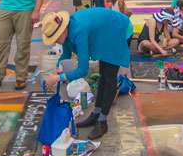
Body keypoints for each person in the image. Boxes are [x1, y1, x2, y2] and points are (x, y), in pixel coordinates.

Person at [41, 8, 132, 140]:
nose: (55, 42)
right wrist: (58, 67)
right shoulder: (65, 29)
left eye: (55, 38)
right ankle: (96, 113)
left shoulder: (79, 32)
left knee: (109, 76)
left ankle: (102, 121)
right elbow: (66, 54)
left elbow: (83, 70)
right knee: (102, 75)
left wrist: (59, 78)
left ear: (62, 31)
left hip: (118, 28)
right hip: (106, 30)